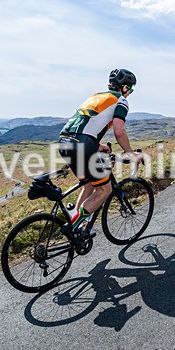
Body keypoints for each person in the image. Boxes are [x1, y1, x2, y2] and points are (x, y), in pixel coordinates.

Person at [58, 68, 143, 231]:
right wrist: (130, 154)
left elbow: (82, 126)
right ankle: (73, 228)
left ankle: (78, 226)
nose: (130, 93)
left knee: (89, 185)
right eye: (130, 89)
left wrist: (98, 146)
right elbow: (119, 131)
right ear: (124, 87)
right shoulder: (120, 100)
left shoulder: (95, 96)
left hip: (65, 141)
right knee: (104, 190)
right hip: (83, 145)